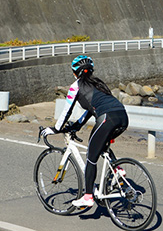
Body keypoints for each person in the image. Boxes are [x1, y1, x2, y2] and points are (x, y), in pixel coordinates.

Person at [40, 55, 129, 209]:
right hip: (122, 116)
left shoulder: (76, 86)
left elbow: (66, 111)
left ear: (75, 73)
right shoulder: (98, 83)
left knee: (91, 157)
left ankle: (88, 196)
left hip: (107, 119)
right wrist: (77, 126)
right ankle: (118, 170)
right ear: (91, 70)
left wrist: (55, 129)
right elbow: (91, 110)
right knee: (102, 146)